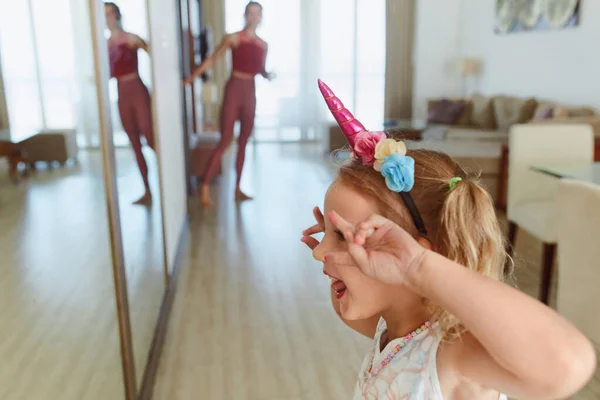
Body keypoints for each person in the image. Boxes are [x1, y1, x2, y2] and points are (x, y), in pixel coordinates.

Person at [300, 80, 596, 399]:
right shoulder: (392, 329)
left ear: (418, 255)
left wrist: (420, 267)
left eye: (345, 237)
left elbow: (567, 364)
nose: (319, 253)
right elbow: (348, 309)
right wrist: (338, 256)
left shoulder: (452, 352)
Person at [183, 1, 274, 207]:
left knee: (243, 142)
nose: (253, 17)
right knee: (225, 141)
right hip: (234, 88)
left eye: (257, 14)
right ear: (245, 15)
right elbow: (211, 60)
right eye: (250, 13)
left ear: (261, 18)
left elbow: (261, 69)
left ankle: (238, 188)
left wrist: (269, 75)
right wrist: (190, 80)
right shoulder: (233, 38)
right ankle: (205, 187)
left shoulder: (263, 45)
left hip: (250, 92)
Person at [105, 2, 154, 205]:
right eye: (104, 15)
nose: (107, 18)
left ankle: (170, 182)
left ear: (117, 16)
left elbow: (156, 55)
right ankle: (147, 190)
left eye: (109, 14)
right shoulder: (105, 45)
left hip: (137, 90)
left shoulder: (131, 39)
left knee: (151, 138)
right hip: (121, 93)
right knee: (134, 144)